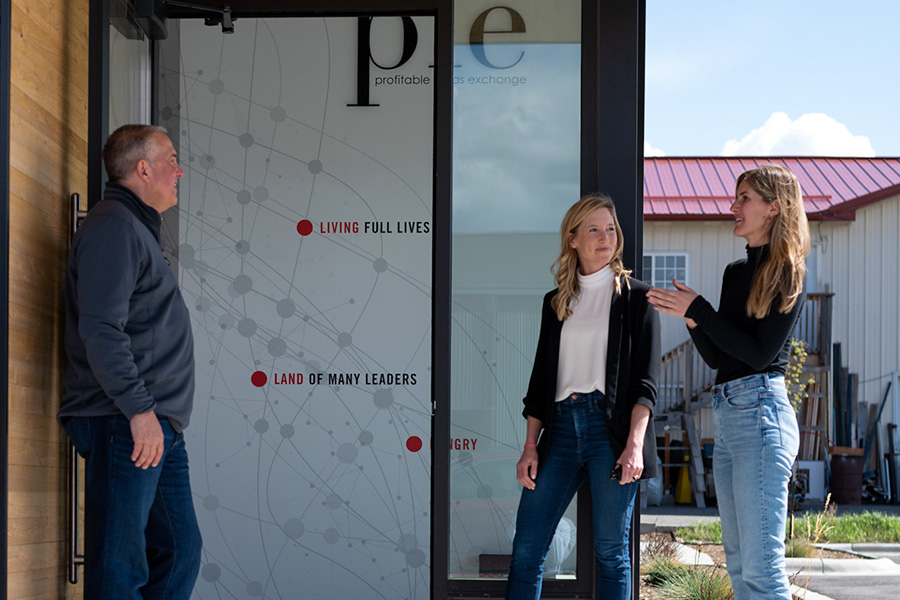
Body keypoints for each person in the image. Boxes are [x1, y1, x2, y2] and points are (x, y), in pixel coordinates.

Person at [647, 164, 810, 600]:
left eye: (744, 198)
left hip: (761, 415)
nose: (732, 206)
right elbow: (722, 358)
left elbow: (760, 355)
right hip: (729, 413)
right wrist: (693, 321)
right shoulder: (734, 272)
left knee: (761, 568)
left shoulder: (789, 272)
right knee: (739, 566)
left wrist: (699, 309)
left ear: (773, 208)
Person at [58, 124, 202, 599]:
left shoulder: (132, 227)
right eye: (172, 160)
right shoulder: (113, 228)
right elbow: (101, 328)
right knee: (120, 565)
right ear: (143, 168)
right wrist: (140, 412)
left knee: (179, 551)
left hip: (154, 424)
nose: (179, 171)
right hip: (126, 419)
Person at [506, 195, 660, 600]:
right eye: (594, 229)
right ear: (573, 239)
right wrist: (529, 445)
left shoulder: (637, 299)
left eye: (610, 228)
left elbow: (647, 383)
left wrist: (635, 445)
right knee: (526, 549)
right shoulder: (556, 302)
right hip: (558, 430)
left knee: (612, 554)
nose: (605, 237)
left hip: (609, 434)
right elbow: (540, 382)